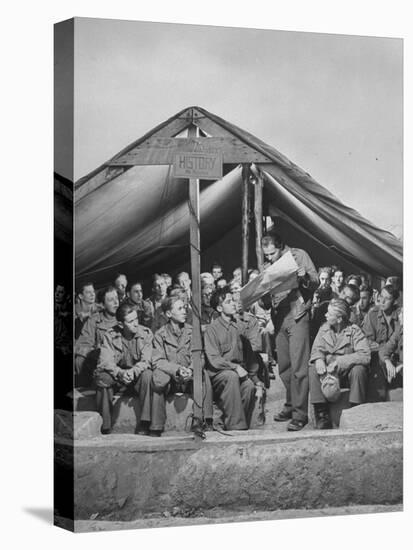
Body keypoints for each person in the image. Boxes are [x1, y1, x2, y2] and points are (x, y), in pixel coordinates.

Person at [261, 230, 318, 431]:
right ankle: (291, 404)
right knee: (284, 367)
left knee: (299, 367)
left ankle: (300, 414)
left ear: (280, 246)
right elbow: (266, 303)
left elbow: (315, 282)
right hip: (279, 319)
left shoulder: (298, 255)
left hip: (297, 316)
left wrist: (303, 277)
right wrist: (261, 294)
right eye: (265, 255)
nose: (268, 258)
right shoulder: (267, 266)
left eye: (271, 253)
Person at [151, 296, 214, 435]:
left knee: (203, 376)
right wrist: (177, 370)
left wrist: (191, 370)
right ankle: (156, 426)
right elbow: (158, 361)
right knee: (157, 379)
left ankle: (205, 420)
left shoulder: (192, 332)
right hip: (171, 379)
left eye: (184, 308)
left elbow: (199, 356)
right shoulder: (160, 335)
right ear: (168, 314)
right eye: (179, 308)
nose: (184, 311)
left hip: (189, 377)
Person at [309, 299, 370, 429]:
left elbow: (365, 355)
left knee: (359, 370)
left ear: (339, 319)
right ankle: (322, 414)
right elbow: (316, 349)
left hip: (346, 374)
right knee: (312, 368)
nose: (325, 315)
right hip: (328, 373)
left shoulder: (354, 331)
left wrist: (340, 362)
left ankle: (356, 409)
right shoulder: (324, 329)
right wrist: (319, 359)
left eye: (329, 314)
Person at [94, 302, 154, 435]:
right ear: (121, 324)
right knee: (102, 377)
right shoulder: (110, 335)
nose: (135, 323)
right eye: (131, 321)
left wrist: (132, 372)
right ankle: (105, 425)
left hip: (136, 377)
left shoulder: (145, 334)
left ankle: (145, 423)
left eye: (136, 319)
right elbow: (105, 362)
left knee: (148, 375)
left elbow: (146, 360)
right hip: (117, 378)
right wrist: (120, 373)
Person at [204, 287, 257, 431]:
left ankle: (235, 424)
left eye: (233, 300)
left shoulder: (239, 326)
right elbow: (214, 359)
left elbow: (250, 353)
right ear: (220, 308)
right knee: (231, 376)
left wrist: (255, 379)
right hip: (218, 374)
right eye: (229, 302)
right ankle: (237, 427)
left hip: (237, 373)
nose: (233, 304)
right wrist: (235, 367)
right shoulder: (212, 329)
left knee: (249, 387)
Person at [75, 286, 120, 387]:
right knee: (80, 359)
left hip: (120, 362)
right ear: (103, 305)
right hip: (99, 362)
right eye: (110, 300)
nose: (116, 302)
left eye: (116, 298)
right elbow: (84, 344)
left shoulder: (124, 317)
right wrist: (97, 351)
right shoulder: (94, 320)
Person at [362, 284, 401, 401]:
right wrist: (385, 358)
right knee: (377, 364)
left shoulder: (401, 316)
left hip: (397, 359)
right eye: (381, 296)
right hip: (377, 359)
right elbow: (368, 342)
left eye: (387, 298)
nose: (382, 301)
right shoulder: (372, 314)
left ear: (394, 301)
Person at [379, 307, 403, 389]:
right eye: (401, 313)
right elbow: (384, 350)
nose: (400, 317)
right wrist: (387, 361)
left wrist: (403, 366)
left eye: (403, 314)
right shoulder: (400, 330)